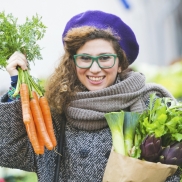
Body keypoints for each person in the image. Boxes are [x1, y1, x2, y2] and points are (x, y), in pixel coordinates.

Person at [0, 10, 181, 182]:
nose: (95, 69)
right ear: (73, 63)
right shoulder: (57, 111)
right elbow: (9, 152)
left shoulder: (150, 107)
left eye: (104, 58)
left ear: (120, 63)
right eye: (85, 58)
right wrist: (17, 84)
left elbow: (173, 172)